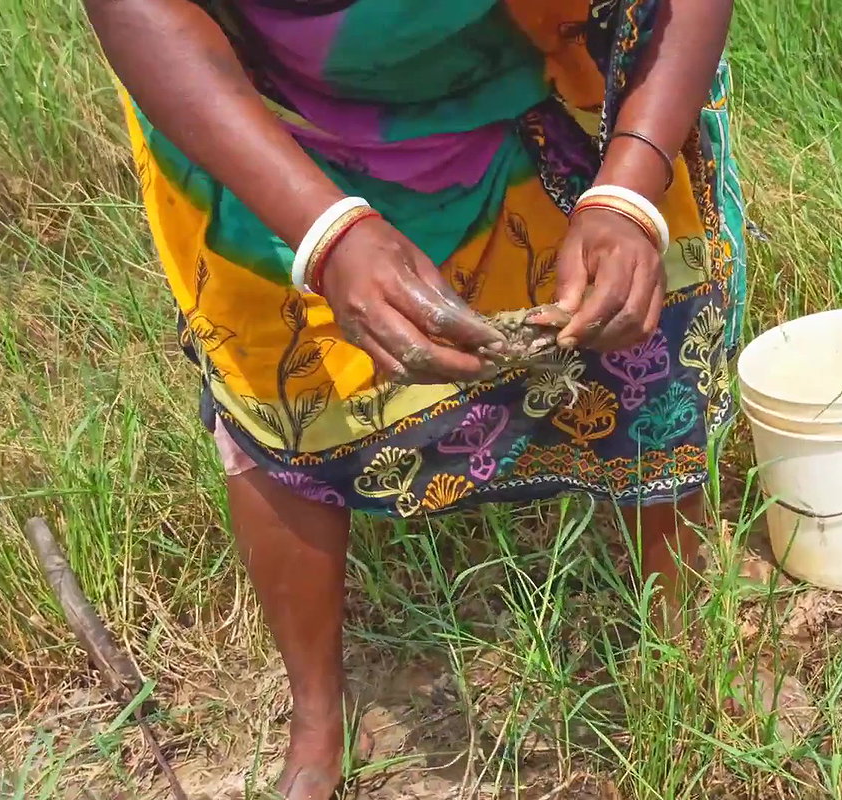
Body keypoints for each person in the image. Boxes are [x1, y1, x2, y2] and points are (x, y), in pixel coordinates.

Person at [86, 1, 744, 796]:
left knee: (634, 322)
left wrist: (629, 190)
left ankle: (687, 634)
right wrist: (325, 231)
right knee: (290, 393)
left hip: (543, 65)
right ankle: (318, 718)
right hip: (271, 117)